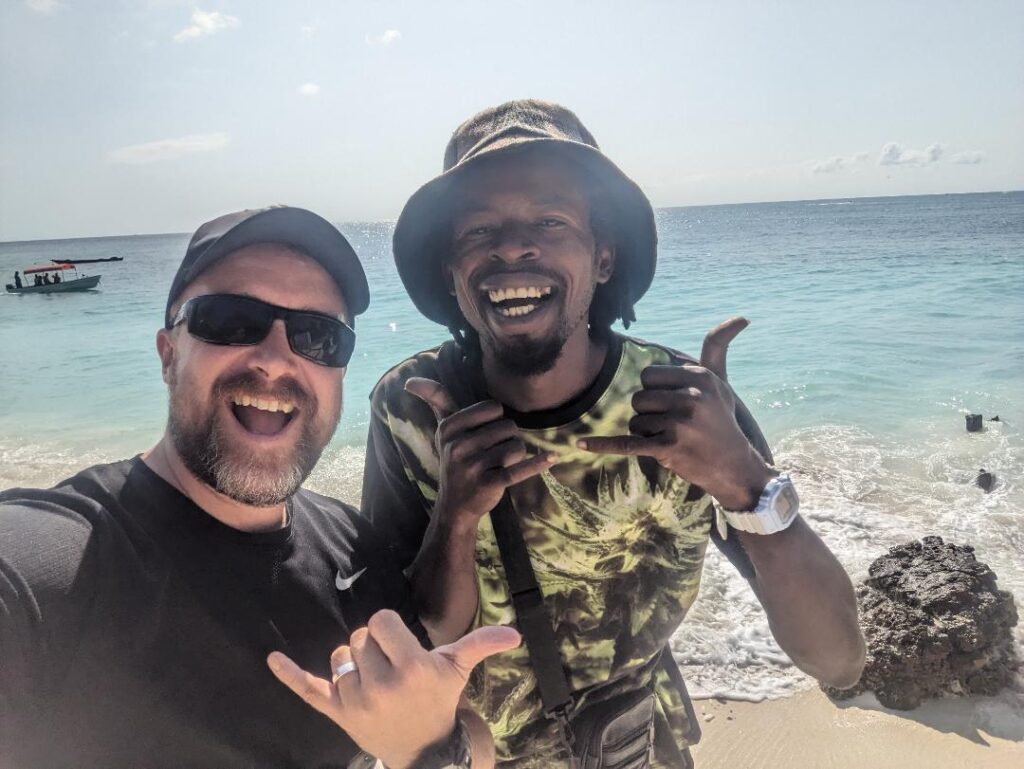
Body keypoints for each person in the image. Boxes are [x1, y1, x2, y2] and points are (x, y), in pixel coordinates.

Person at [362, 101, 866, 767]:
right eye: (479, 229)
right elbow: (407, 659)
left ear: (602, 257)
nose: (513, 245)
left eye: (550, 219)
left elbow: (838, 658)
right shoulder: (414, 410)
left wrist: (744, 482)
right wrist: (455, 518)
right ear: (452, 276)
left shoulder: (681, 403)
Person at [0, 205, 518, 769]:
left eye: (318, 337)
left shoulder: (351, 544)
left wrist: (431, 750)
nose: (275, 360)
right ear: (169, 354)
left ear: (340, 374)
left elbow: (458, 723)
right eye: (230, 322)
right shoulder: (48, 571)